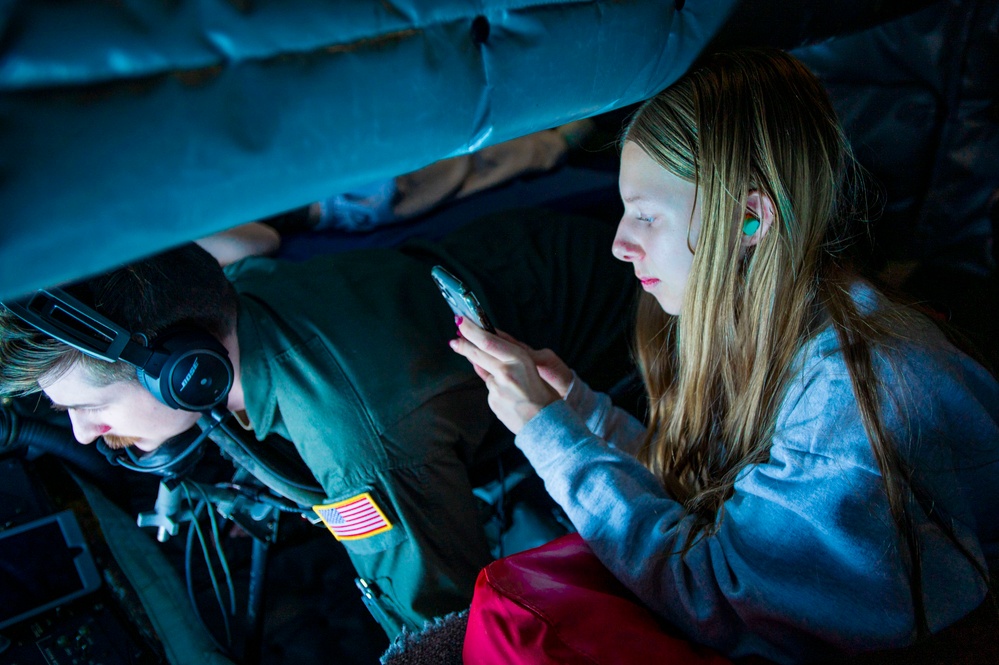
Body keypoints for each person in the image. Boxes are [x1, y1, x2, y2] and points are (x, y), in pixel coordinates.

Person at [450, 48, 999, 663]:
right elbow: (710, 503)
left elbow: (716, 597)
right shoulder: (764, 325)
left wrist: (551, 438)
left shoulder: (851, 398)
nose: (619, 244)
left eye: (645, 215)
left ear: (748, 219)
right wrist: (578, 412)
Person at [0, 209, 636, 639]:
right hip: (544, 249)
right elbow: (249, 244)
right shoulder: (232, 293)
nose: (82, 432)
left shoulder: (360, 448)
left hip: (632, 350)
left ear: (186, 372)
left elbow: (442, 625)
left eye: (88, 407)